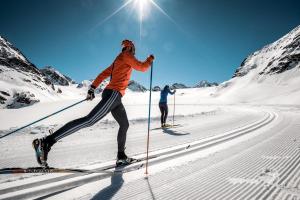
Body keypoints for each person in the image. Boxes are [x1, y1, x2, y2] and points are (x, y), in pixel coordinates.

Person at [32, 39, 154, 167]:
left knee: (124, 124)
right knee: (89, 120)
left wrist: (92, 88)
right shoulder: (127, 55)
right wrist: (149, 60)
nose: (133, 51)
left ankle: (121, 156)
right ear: (131, 48)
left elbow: (103, 74)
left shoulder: (118, 60)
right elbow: (142, 67)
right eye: (133, 48)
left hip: (116, 97)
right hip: (113, 94)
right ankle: (46, 142)